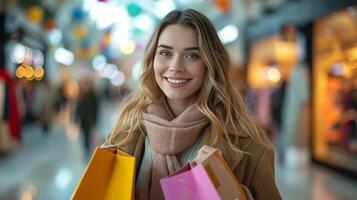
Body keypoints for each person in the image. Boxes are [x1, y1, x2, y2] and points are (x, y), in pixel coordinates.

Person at [105, 9, 281, 200]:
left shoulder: (248, 146)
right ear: (152, 59)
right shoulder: (126, 131)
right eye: (165, 53)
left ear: (210, 63)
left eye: (192, 56)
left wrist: (233, 194)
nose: (175, 66)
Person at [75, 78, 99, 156]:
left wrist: (95, 120)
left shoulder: (93, 95)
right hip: (83, 119)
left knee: (88, 134)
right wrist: (75, 118)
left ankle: (88, 149)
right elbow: (78, 108)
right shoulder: (80, 95)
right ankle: (86, 149)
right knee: (84, 135)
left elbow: (96, 109)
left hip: (90, 119)